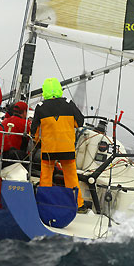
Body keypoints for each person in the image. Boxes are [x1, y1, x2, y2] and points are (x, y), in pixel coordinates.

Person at [30, 78, 86, 211]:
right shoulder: (68, 103)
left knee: (46, 176)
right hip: (67, 148)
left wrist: (36, 141)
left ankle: (44, 203)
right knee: (71, 176)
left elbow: (35, 131)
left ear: (45, 91)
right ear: (60, 90)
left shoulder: (40, 107)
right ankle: (79, 205)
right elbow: (80, 122)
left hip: (49, 149)